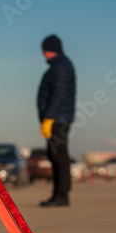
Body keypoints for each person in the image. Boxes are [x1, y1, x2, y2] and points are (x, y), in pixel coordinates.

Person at [37, 34, 76, 207]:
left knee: (59, 157)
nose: (43, 54)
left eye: (44, 50)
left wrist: (48, 117)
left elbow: (58, 96)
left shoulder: (60, 67)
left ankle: (62, 195)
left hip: (57, 119)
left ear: (51, 49)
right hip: (57, 118)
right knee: (55, 156)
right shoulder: (58, 66)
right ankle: (58, 195)